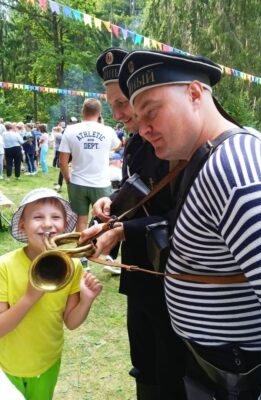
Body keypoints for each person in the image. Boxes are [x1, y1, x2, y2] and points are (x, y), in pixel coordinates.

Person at [116, 49, 261, 400]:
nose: (143, 128)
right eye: (138, 117)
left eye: (151, 111)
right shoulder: (207, 156)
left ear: (195, 93)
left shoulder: (236, 169)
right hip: (218, 367)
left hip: (243, 374)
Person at [81, 47, 187, 400]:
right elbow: (139, 191)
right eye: (112, 104)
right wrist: (111, 202)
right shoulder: (134, 144)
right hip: (139, 267)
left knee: (170, 362)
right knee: (142, 357)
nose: (119, 113)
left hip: (172, 273)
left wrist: (125, 231)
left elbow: (185, 216)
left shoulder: (174, 143)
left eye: (123, 102)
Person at [0, 188, 102, 400]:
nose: (47, 223)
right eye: (38, 217)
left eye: (55, 217)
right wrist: (29, 297)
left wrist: (86, 300)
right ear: (23, 225)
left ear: (64, 226)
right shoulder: (4, 266)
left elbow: (71, 322)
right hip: (7, 365)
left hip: (47, 362)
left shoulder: (72, 266)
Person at [59, 99, 121, 232]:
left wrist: (67, 179)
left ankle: (81, 251)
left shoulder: (70, 130)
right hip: (101, 183)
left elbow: (62, 161)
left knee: (80, 221)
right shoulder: (108, 130)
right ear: (99, 113)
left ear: (83, 111)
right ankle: (98, 250)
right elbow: (118, 146)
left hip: (77, 182)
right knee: (103, 220)